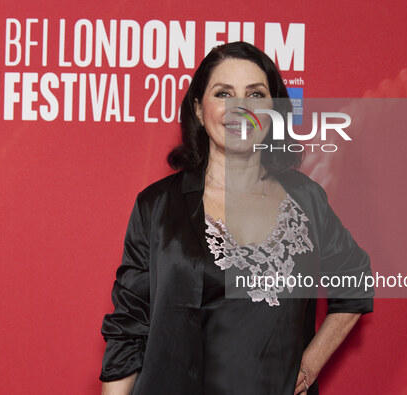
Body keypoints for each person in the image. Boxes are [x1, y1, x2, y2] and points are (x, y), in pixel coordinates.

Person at [99, 41, 373, 395]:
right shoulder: (158, 206)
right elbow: (128, 329)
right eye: (224, 93)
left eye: (255, 94)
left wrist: (308, 365)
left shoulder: (306, 197)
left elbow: (354, 281)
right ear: (199, 109)